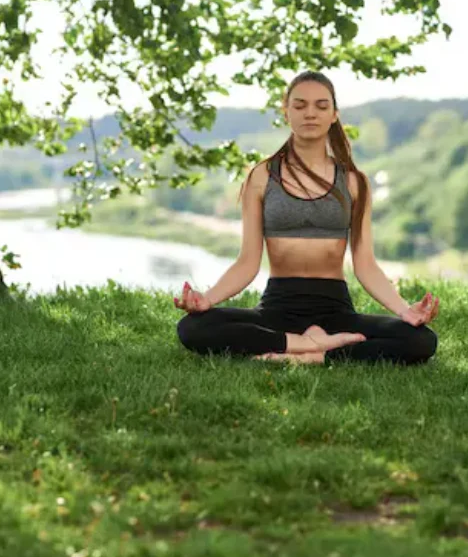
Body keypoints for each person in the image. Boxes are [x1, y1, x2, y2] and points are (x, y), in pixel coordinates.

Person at [174, 70, 439, 366]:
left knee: (421, 340)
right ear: (286, 112)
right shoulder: (262, 177)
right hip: (277, 308)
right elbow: (247, 261)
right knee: (191, 327)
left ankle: (316, 355)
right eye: (299, 106)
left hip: (335, 310)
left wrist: (405, 311)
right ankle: (300, 344)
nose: (310, 113)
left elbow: (365, 265)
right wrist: (206, 300)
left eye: (321, 106)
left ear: (335, 115)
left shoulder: (353, 182)